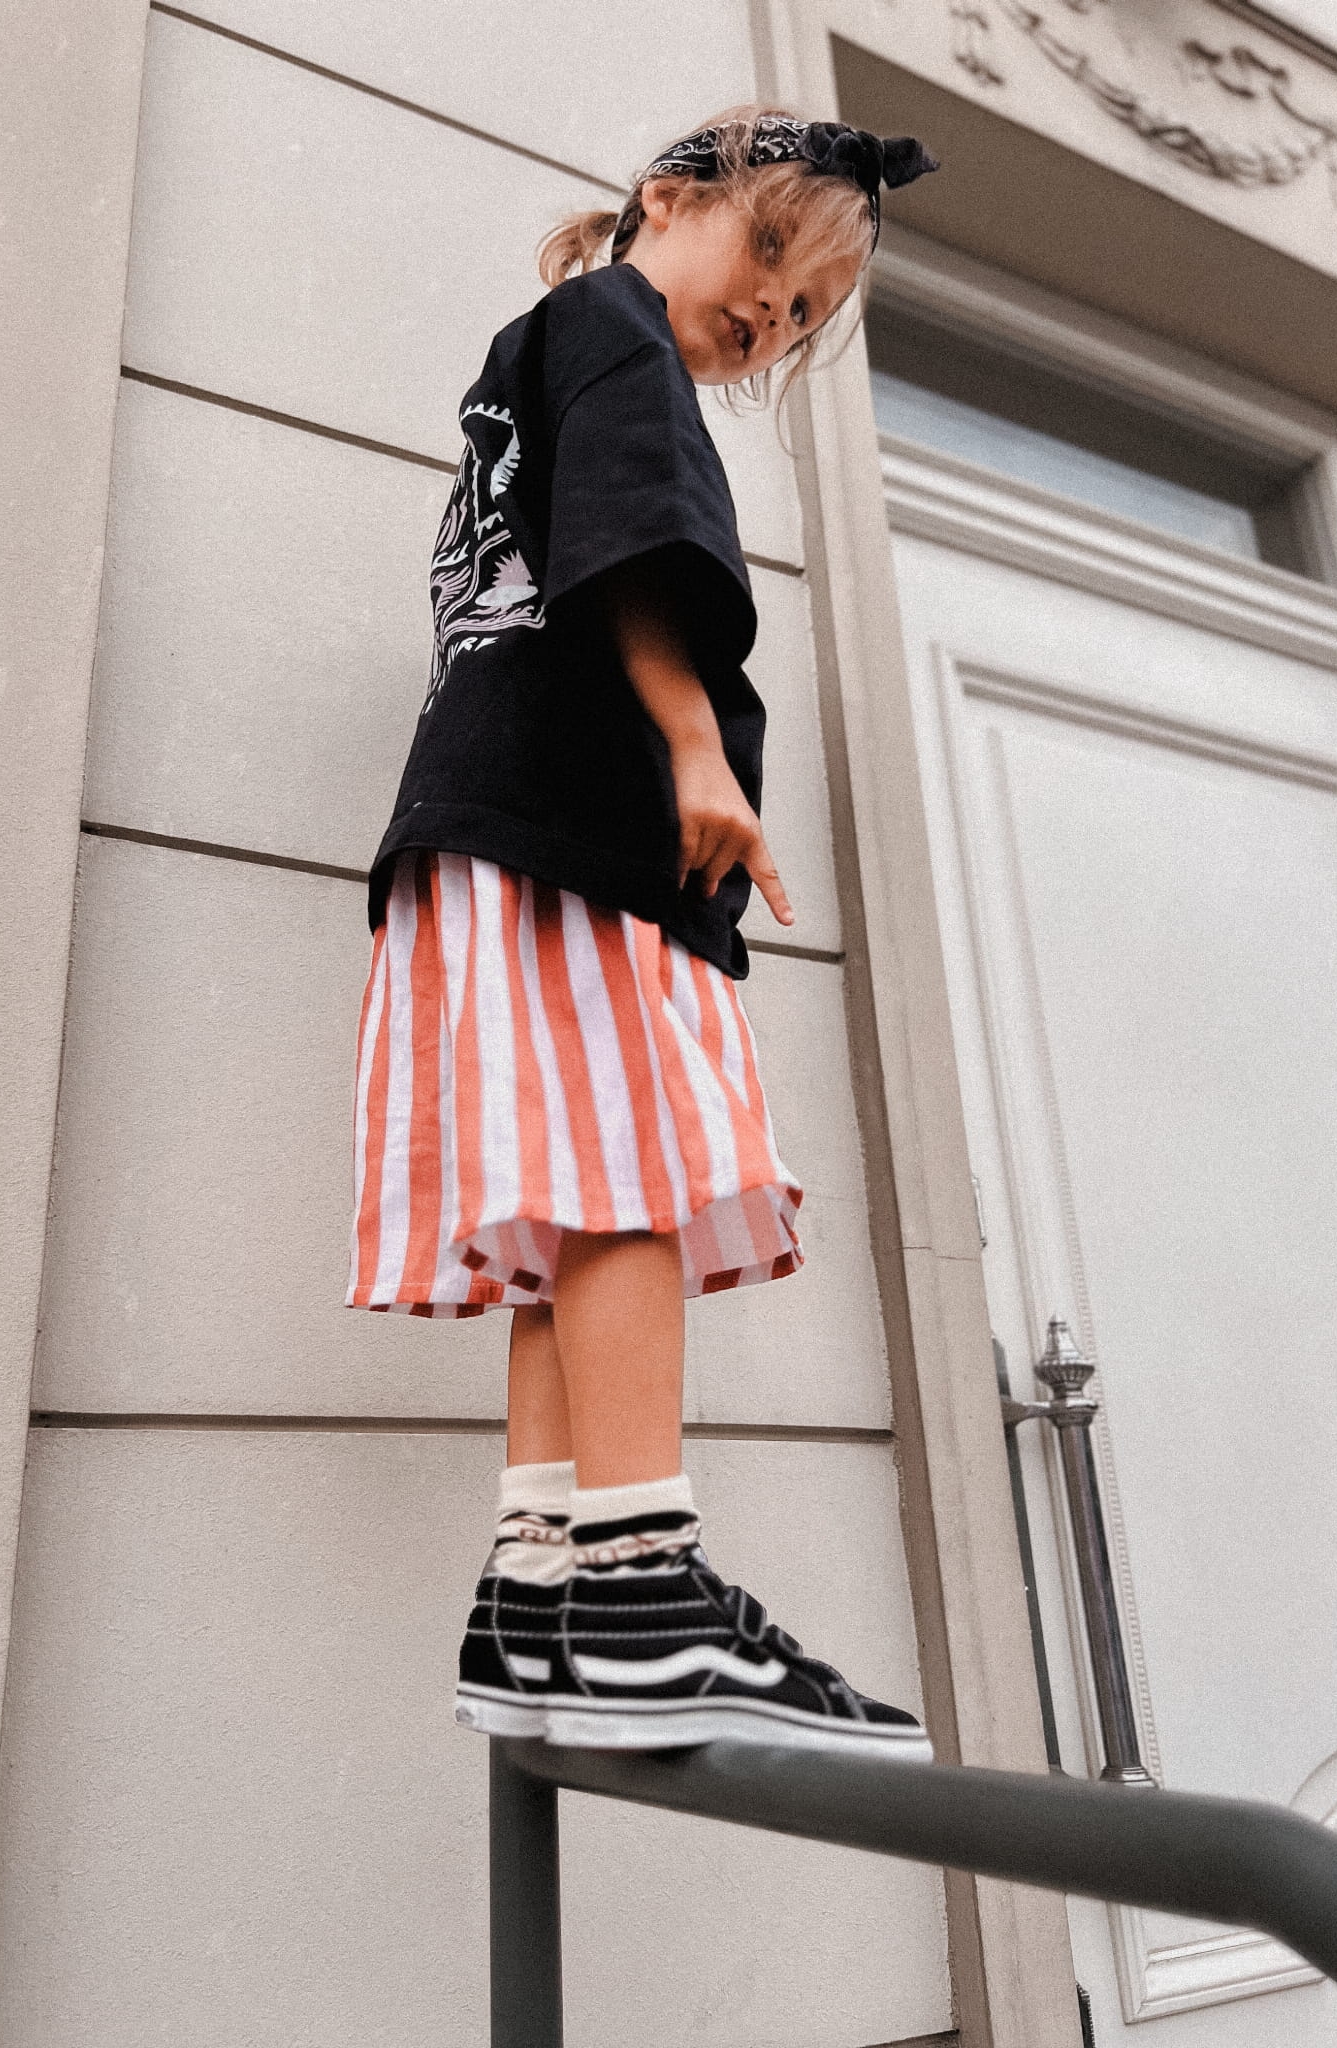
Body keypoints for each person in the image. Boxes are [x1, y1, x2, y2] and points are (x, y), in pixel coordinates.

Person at [347, 106, 939, 1754]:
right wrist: (693, 743)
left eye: (805, 310)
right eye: (770, 254)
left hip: (492, 830)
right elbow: (625, 535)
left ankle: (544, 1587)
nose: (774, 312)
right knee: (625, 1184)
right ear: (667, 201)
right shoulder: (610, 329)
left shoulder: (537, 355)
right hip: (573, 834)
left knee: (572, 1198)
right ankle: (637, 1579)